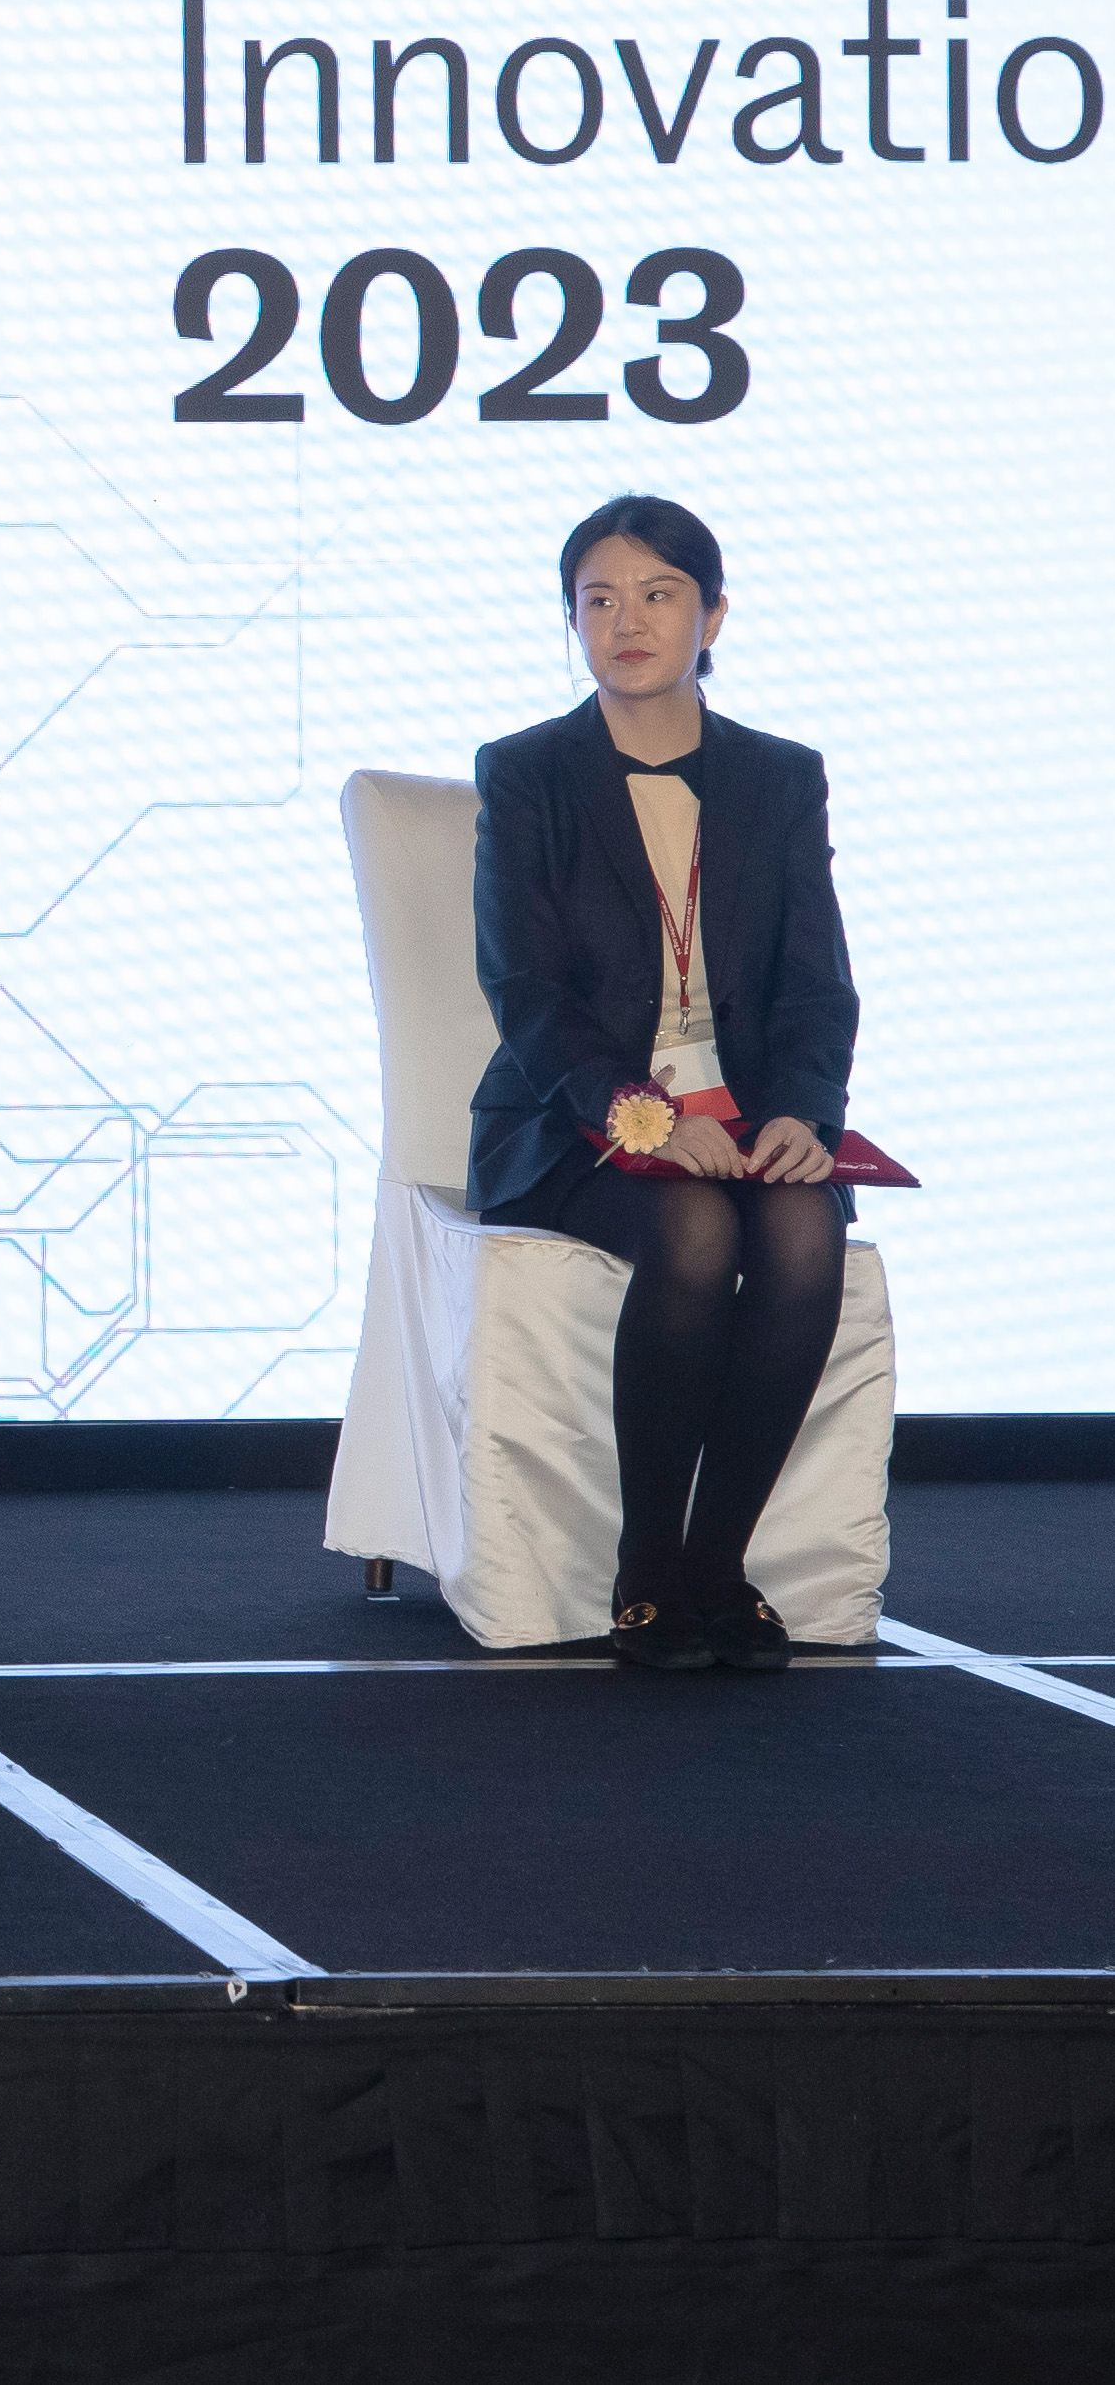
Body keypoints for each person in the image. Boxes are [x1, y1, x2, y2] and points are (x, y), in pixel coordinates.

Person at [471, 496, 858, 1672]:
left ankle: (717, 1565)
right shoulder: (526, 773)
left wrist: (801, 1114)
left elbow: (813, 984)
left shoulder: (777, 779)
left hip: (742, 1111)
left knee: (801, 1228)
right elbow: (524, 992)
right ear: (569, 621)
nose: (624, 622)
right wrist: (641, 1115)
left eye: (656, 595)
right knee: (691, 1230)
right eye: (597, 599)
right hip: (572, 1122)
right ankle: (645, 1569)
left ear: (711, 615)